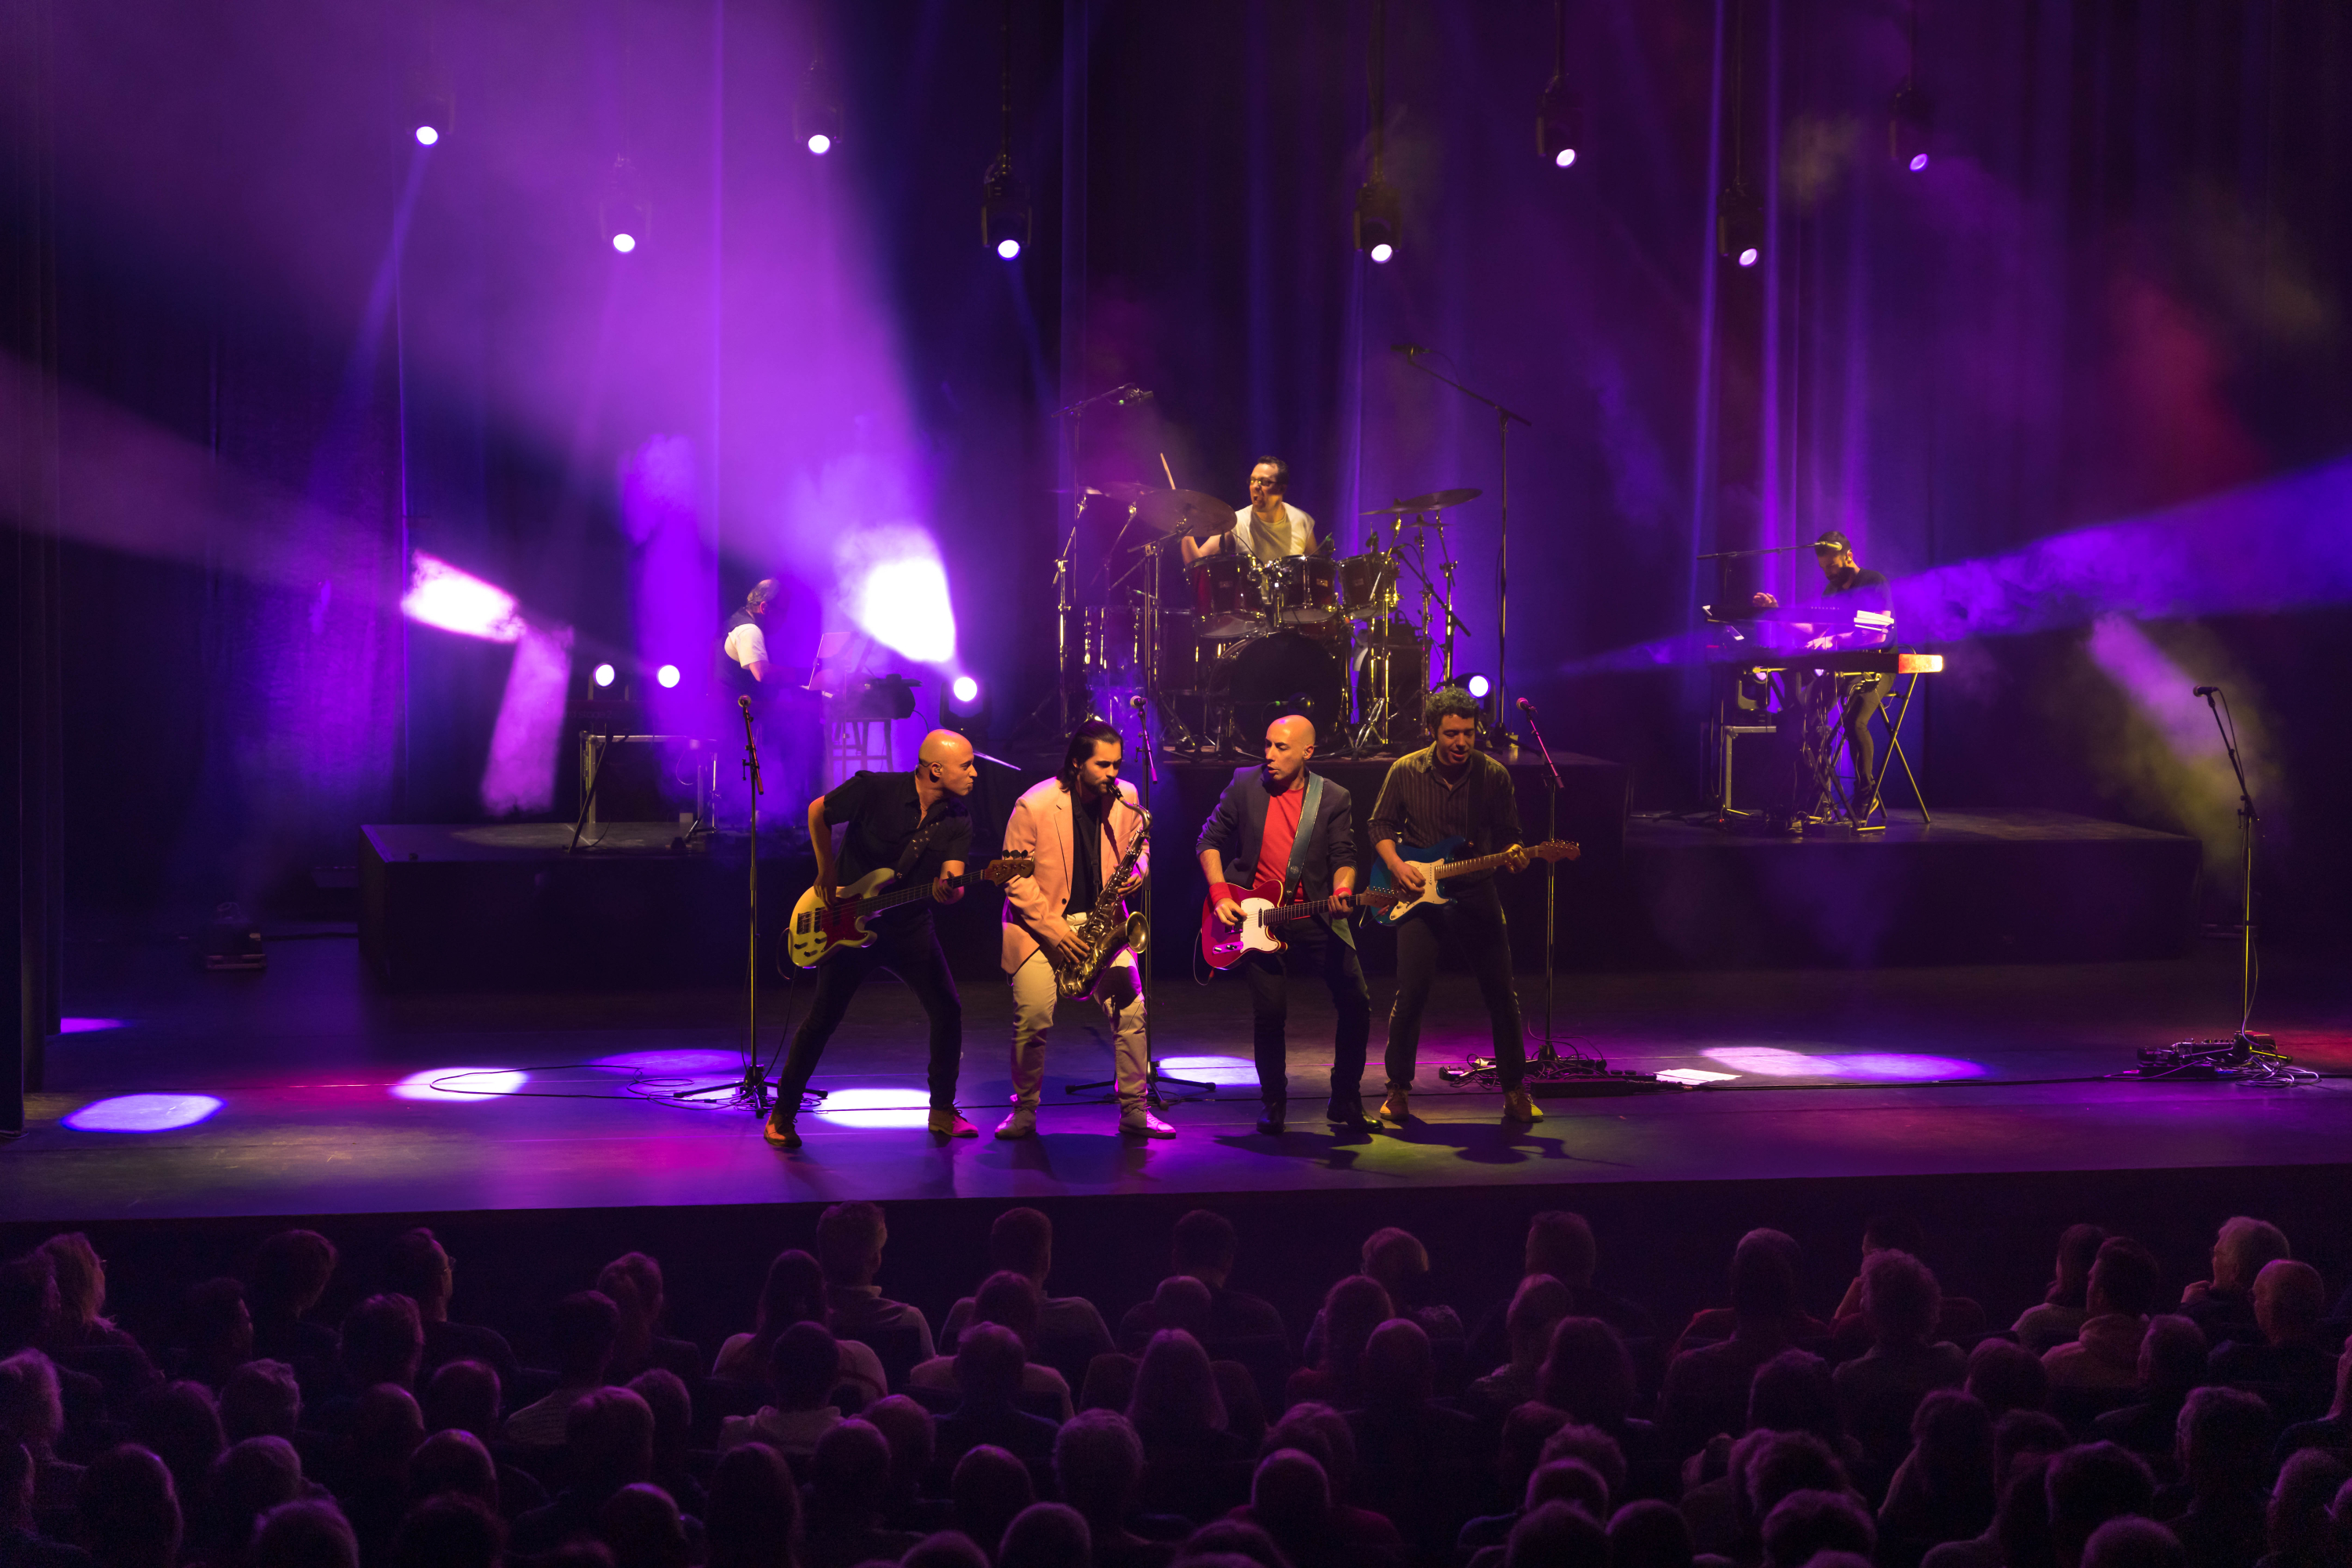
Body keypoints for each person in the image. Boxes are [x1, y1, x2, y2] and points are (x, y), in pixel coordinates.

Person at [766, 730, 982, 1149]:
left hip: (909, 924)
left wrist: (950, 890)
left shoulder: (958, 818)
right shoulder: (875, 789)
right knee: (823, 1019)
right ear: (936, 769)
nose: (975, 773)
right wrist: (826, 870)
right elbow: (817, 811)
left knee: (947, 1010)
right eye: (967, 765)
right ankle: (782, 1115)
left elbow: (953, 880)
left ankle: (942, 1111)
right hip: (845, 920)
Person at [1368, 685, 1538, 1125]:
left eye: (1468, 733)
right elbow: (1379, 824)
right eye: (1451, 734)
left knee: (1501, 994)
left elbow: (1510, 834)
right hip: (1418, 897)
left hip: (1476, 890)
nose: (1461, 742)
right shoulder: (1406, 770)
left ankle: (1515, 1090)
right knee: (1412, 993)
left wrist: (1515, 854)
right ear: (1432, 731)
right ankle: (1398, 1088)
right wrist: (1396, 865)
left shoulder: (1493, 775)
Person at [1195, 714, 1370, 1134]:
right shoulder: (1245, 784)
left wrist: (1343, 889)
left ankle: (1345, 1098)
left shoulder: (1333, 796)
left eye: (1281, 747)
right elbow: (1208, 841)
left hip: (1312, 914)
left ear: (1307, 752)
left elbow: (1344, 856)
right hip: (1255, 918)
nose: (1269, 755)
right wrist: (1220, 894)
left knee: (1356, 1002)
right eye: (1268, 744)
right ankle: (1273, 1101)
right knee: (1270, 1014)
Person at [997, 720, 1171, 1139]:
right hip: (1040, 928)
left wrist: (1139, 871)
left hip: (1103, 922)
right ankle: (1024, 1111)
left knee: (1132, 1013)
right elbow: (1014, 878)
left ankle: (1135, 1108)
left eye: (1117, 764)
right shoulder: (1033, 805)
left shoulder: (1127, 797)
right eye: (1103, 765)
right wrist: (1056, 933)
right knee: (1033, 1019)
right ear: (1077, 763)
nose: (1114, 773)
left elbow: (1141, 847)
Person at [1750, 528, 1897, 824]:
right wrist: (1777, 614)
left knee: (1854, 720)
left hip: (1876, 666)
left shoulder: (1874, 582)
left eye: (1832, 565)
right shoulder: (1831, 591)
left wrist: (1834, 641)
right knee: (1804, 717)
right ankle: (1813, 797)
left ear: (1849, 556)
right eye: (1823, 567)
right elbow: (1816, 632)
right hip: (1841, 668)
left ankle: (1865, 794)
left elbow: (1878, 633)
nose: (1828, 572)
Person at [1181, 457, 1323, 564]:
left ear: (1282, 489)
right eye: (1252, 480)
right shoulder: (1236, 522)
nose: (1255, 486)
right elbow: (1197, 562)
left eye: (1264, 482)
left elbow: (1317, 571)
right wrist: (1185, 531)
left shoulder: (1302, 521)